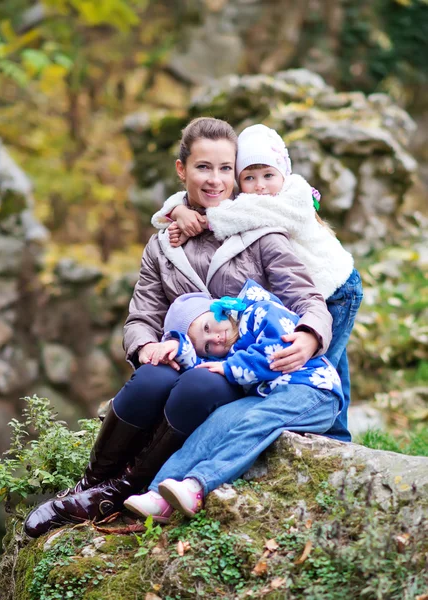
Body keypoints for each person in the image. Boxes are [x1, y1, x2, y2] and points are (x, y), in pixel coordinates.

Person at [23, 117, 333, 538]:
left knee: (197, 387)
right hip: (181, 351)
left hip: (241, 366)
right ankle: (91, 484)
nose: (216, 180)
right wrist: (146, 346)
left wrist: (310, 334)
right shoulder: (163, 245)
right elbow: (142, 315)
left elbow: (308, 298)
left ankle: (124, 489)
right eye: (204, 167)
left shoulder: (260, 233)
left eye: (227, 169)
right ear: (181, 170)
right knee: (150, 380)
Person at [151, 124, 363, 441]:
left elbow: (240, 213)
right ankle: (338, 435)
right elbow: (208, 201)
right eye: (249, 178)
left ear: (284, 172)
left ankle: (328, 437)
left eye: (268, 175)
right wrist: (178, 209)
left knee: (318, 367)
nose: (260, 186)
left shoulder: (294, 197)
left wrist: (200, 220)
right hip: (313, 289)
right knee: (336, 360)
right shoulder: (247, 202)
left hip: (336, 291)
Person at [124, 280, 343, 522]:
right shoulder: (227, 349)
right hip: (267, 395)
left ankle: (197, 485)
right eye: (207, 345)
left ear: (219, 309)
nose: (216, 339)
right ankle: (159, 495)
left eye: (208, 327)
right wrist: (178, 348)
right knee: (216, 422)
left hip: (313, 390)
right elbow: (207, 365)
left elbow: (276, 352)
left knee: (258, 422)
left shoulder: (261, 310)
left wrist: (229, 367)